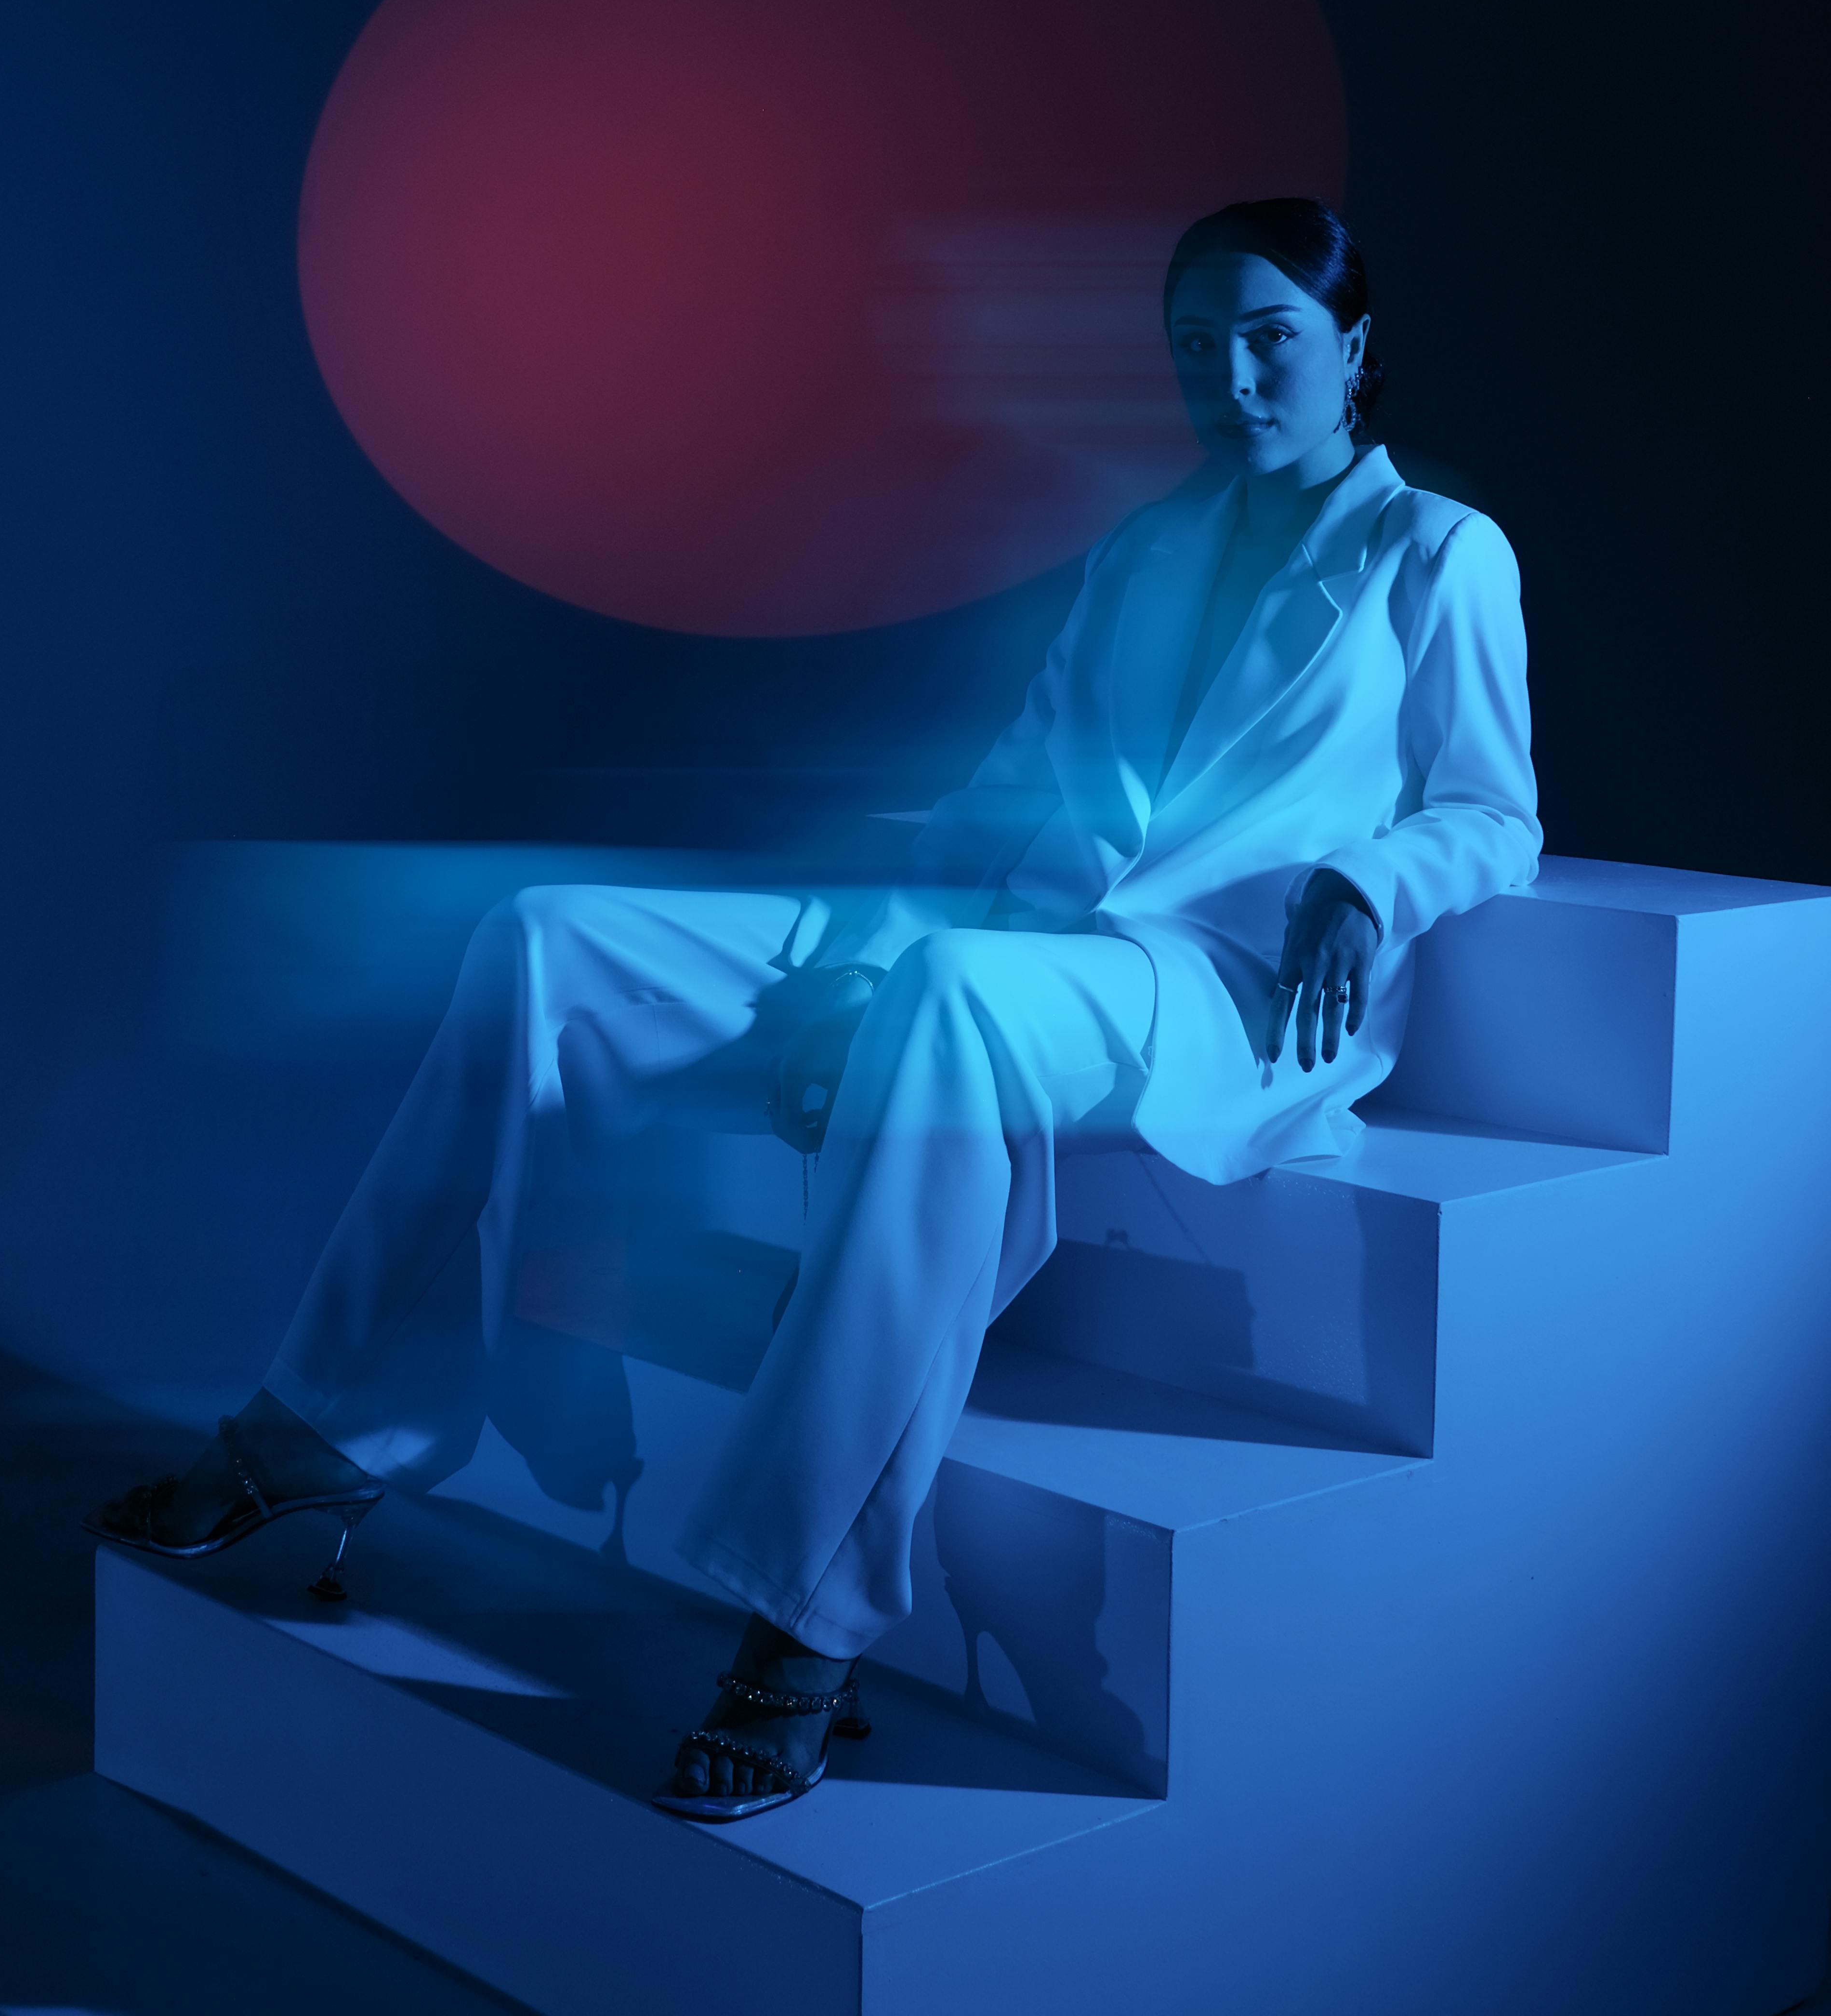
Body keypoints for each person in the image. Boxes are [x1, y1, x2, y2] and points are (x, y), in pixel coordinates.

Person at [89, 197, 1540, 1820]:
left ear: (1351, 348)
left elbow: (1495, 812)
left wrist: (1370, 879)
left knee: (941, 1001)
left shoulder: (1435, 554)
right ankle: (329, 1418)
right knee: (552, 935)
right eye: (1198, 346)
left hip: (1216, 985)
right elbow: (1020, 791)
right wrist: (856, 951)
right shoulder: (1145, 548)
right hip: (1014, 927)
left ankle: (806, 1617)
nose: (1234, 376)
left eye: (1271, 337)